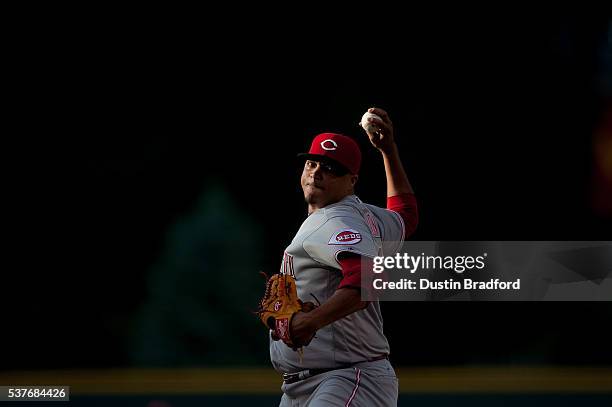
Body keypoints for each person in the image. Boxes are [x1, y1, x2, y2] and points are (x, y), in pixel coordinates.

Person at [270, 107, 418, 406]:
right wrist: (388, 151)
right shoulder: (367, 217)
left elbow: (368, 280)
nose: (317, 173)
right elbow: (406, 216)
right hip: (309, 383)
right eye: (313, 163)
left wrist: (310, 322)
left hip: (347, 377)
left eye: (332, 168)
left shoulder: (336, 221)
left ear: (352, 180)